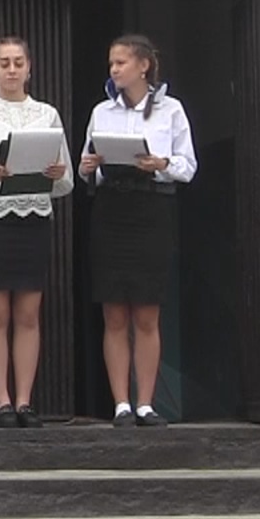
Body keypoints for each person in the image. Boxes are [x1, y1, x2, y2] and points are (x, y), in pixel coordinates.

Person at [0, 36, 72, 429]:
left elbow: (66, 183)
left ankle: (24, 400)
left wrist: (56, 174)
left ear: (29, 67)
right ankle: (1, 400)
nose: (11, 69)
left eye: (18, 62)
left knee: (28, 313)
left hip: (34, 219)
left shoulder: (47, 114)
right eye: (4, 62)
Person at [80, 34, 197, 428]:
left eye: (121, 62)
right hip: (111, 208)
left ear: (143, 65)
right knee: (114, 311)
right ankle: (121, 405)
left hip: (152, 208)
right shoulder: (102, 111)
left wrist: (160, 163)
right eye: (111, 63)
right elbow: (86, 166)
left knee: (147, 312)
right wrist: (89, 165)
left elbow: (188, 166)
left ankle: (146, 403)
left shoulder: (171, 110)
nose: (113, 70)